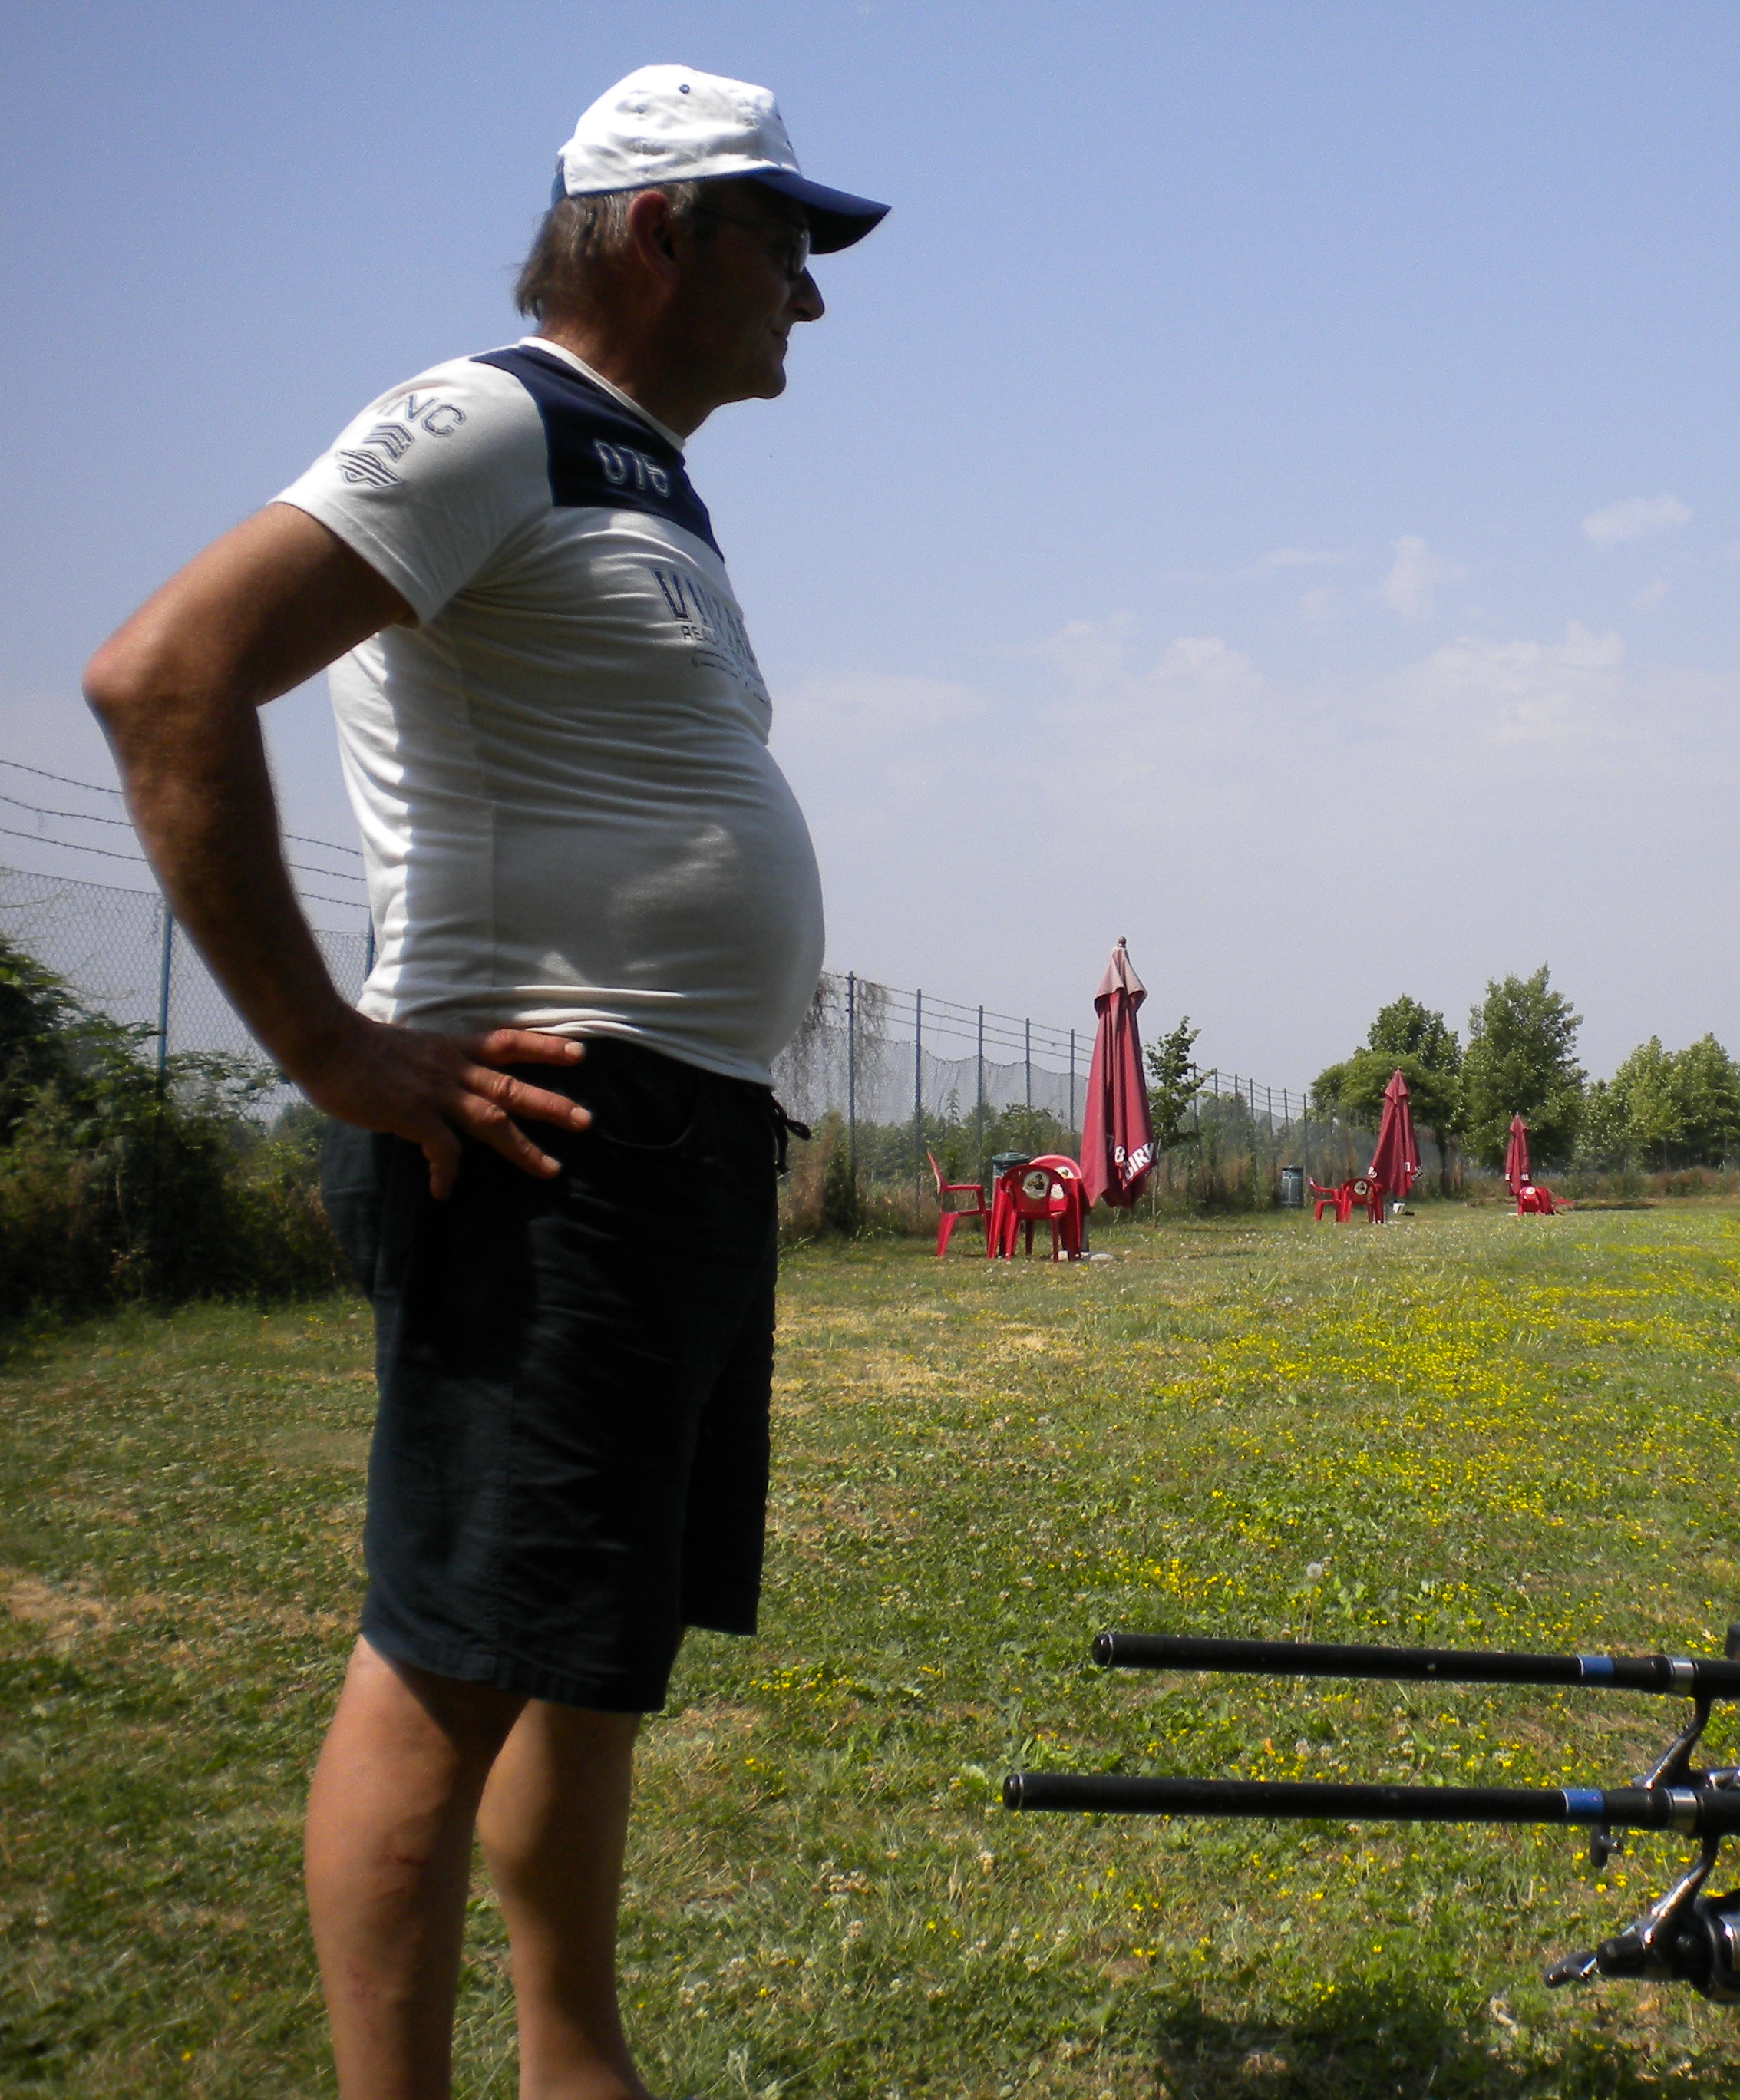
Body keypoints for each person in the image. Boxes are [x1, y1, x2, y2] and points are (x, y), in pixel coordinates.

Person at [82, 67, 885, 2100]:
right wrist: (329, 1050)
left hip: (671, 1132)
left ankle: (573, 2063)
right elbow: (165, 674)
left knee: (580, 1664)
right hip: (545, 1144)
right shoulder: (487, 419)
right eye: (786, 241)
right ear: (659, 231)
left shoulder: (641, 474)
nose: (809, 293)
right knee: (451, 1661)